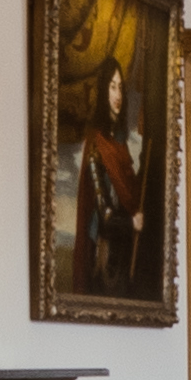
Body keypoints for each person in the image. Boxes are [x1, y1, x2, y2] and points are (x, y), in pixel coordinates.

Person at [72, 57, 146, 294]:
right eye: (112, 87)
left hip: (123, 250)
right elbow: (104, 213)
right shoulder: (97, 145)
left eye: (121, 87)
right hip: (104, 253)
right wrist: (131, 223)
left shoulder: (120, 144)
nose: (118, 95)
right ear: (104, 90)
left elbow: (129, 193)